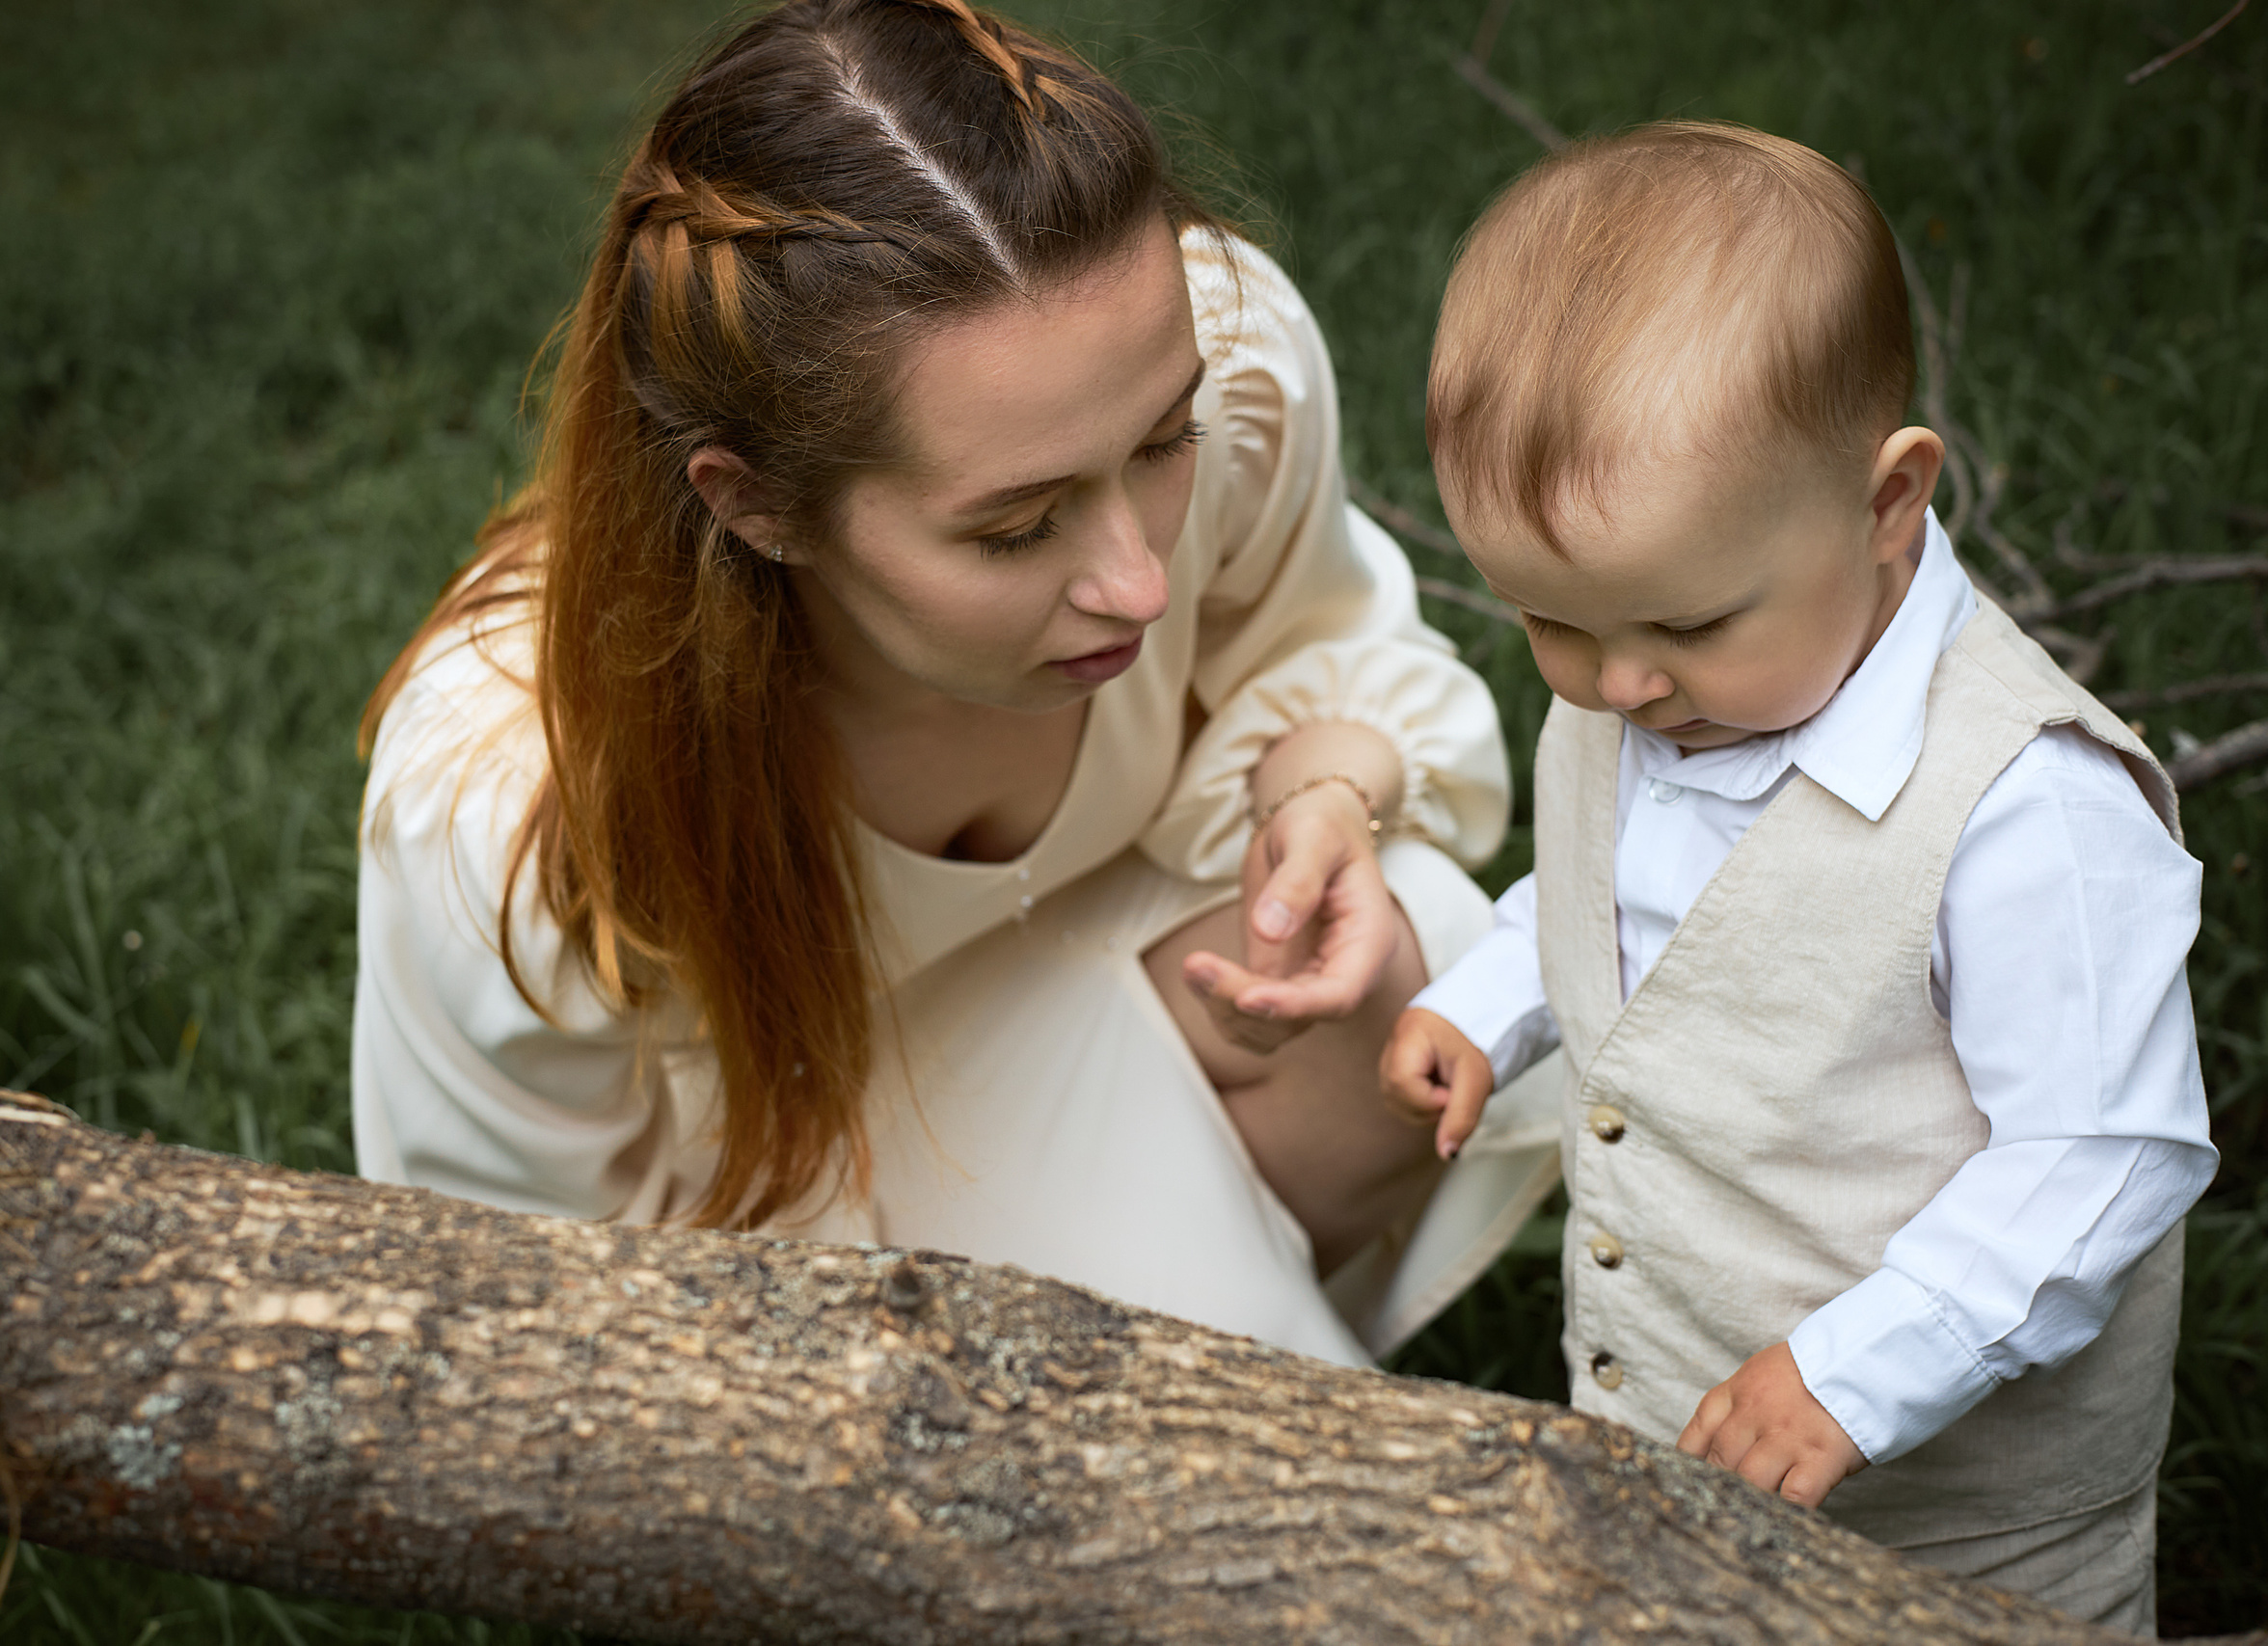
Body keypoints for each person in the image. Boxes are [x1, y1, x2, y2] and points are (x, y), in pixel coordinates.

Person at [352, 0, 1559, 1370]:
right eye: (1015, 528)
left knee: (1387, 975)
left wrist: (1329, 791)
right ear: (758, 507)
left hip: (1100, 996)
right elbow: (530, 1303)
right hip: (768, 1218)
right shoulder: (519, 790)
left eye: (1165, 443)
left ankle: (1233, 1366)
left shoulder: (1194, 358)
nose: (1138, 584)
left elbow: (1316, 640)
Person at [1381, 121, 2215, 1629]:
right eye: (1549, 624)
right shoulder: (1653, 676)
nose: (1617, 684)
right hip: (1675, 1447)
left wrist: (1859, 1365)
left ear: (1888, 501)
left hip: (1965, 1538)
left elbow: (2102, 1155)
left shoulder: (2023, 809)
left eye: (1685, 627)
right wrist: (1496, 1000)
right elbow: (1625, 907)